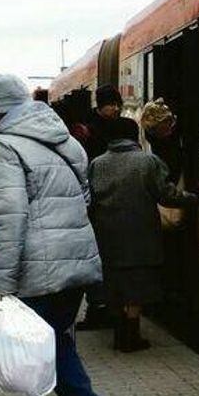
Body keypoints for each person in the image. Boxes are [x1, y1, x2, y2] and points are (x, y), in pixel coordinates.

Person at [0, 74, 109, 396]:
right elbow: (84, 199)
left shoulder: (2, 148)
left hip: (33, 276)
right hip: (74, 268)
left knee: (20, 367)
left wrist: (1, 290)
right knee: (57, 343)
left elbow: (8, 218)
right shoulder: (64, 140)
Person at [88, 117, 198, 352]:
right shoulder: (147, 161)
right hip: (140, 235)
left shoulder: (97, 163)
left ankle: (119, 335)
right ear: (134, 135)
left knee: (116, 285)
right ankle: (132, 336)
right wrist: (192, 198)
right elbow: (166, 194)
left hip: (107, 236)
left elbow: (90, 199)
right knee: (135, 288)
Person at [78, 84, 122, 330]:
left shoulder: (115, 126)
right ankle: (97, 307)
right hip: (93, 203)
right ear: (100, 105)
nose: (115, 108)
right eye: (110, 104)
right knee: (95, 258)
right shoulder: (88, 130)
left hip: (108, 203)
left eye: (118, 104)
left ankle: (105, 306)